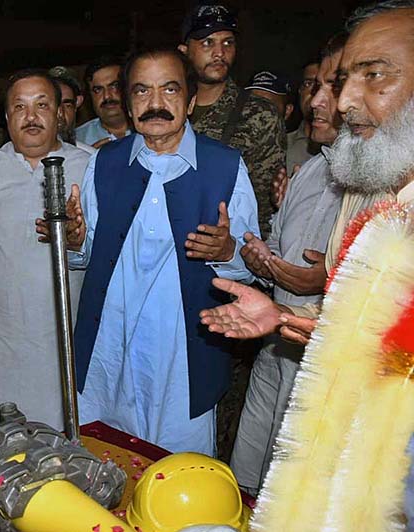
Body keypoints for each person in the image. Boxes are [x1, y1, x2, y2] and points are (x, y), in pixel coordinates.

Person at [198, 0, 414, 521]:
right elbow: (390, 344)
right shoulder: (386, 197)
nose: (343, 103)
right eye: (342, 81)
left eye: (375, 75)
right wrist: (288, 317)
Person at [69, 47, 259, 455]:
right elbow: (84, 253)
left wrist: (227, 250)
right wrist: (72, 241)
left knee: (179, 481)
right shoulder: (103, 163)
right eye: (141, 91)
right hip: (108, 353)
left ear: (190, 100)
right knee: (103, 468)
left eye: (169, 90)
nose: (155, 104)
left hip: (182, 359)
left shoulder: (225, 166)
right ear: (128, 101)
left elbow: (250, 266)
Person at [228, 32, 347, 495]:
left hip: (323, 358)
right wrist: (257, 258)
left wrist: (328, 279)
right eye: (309, 86)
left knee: (295, 486)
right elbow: (274, 253)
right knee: (249, 470)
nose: (314, 100)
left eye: (329, 88)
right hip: (274, 346)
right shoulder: (307, 171)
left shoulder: (383, 180)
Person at [0, 70, 89, 428]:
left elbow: (101, 248)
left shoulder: (89, 167)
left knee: (60, 440)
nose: (31, 117)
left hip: (61, 333)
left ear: (59, 113)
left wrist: (75, 239)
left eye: (41, 105)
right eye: (19, 107)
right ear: (6, 117)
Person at [179, 4, 286, 238]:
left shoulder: (258, 115)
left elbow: (263, 207)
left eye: (228, 42)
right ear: (184, 50)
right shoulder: (167, 111)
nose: (219, 53)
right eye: (207, 42)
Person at [74, 56, 131, 147]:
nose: (107, 96)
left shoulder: (152, 130)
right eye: (98, 90)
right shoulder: (77, 141)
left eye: (114, 86)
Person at [48, 65, 95, 154]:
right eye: (53, 104)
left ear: (78, 103)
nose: (60, 113)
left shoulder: (90, 157)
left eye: (67, 105)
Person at [286, 60, 320, 174]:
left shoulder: (347, 150)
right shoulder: (280, 146)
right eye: (308, 84)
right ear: (300, 90)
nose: (315, 93)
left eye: (321, 85)